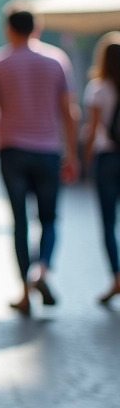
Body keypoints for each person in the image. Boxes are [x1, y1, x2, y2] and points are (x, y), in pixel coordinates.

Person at [0, 2, 79, 316]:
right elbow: (69, 112)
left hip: (12, 150)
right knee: (49, 218)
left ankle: (24, 293)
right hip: (47, 150)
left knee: (19, 221)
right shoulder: (57, 61)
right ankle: (42, 269)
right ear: (37, 28)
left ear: (8, 29)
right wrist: (72, 153)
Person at [82, 32, 120, 305]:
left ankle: (117, 276)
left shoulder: (98, 88)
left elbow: (92, 129)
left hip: (107, 158)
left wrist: (83, 160)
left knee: (108, 223)